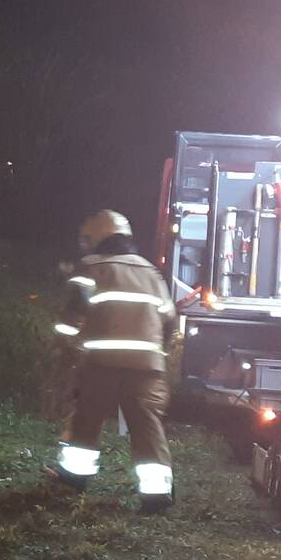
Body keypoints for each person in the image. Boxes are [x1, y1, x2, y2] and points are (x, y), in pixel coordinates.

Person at [46, 210, 177, 513]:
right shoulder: (150, 272)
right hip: (146, 368)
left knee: (86, 420)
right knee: (147, 427)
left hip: (100, 364)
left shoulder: (90, 268)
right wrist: (160, 352)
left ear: (96, 238)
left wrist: (62, 346)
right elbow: (169, 320)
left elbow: (71, 316)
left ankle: (74, 480)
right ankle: (156, 496)